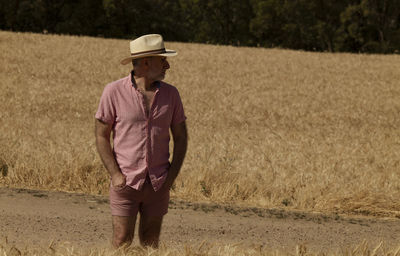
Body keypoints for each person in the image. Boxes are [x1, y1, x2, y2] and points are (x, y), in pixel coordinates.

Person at [94, 34, 188, 248]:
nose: (168, 65)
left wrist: (170, 177)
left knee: (151, 243)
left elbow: (181, 138)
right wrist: (115, 174)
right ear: (146, 62)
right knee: (121, 242)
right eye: (162, 60)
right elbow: (101, 135)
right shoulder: (113, 91)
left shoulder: (172, 95)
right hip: (125, 182)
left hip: (158, 184)